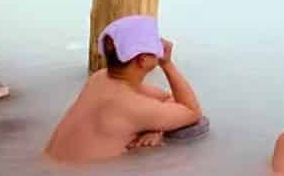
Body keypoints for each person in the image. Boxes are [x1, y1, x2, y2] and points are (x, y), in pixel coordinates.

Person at [44, 15, 204, 162]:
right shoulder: (132, 107)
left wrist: (156, 128)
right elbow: (192, 111)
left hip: (49, 167)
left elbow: (167, 99)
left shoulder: (99, 78)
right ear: (142, 60)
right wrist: (168, 64)